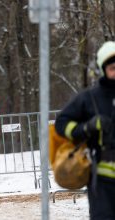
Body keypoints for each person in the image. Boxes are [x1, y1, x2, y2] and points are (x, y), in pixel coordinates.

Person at [55, 41, 115, 220]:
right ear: (103, 70)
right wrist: (87, 127)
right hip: (101, 180)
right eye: (113, 68)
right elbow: (61, 123)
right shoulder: (89, 98)